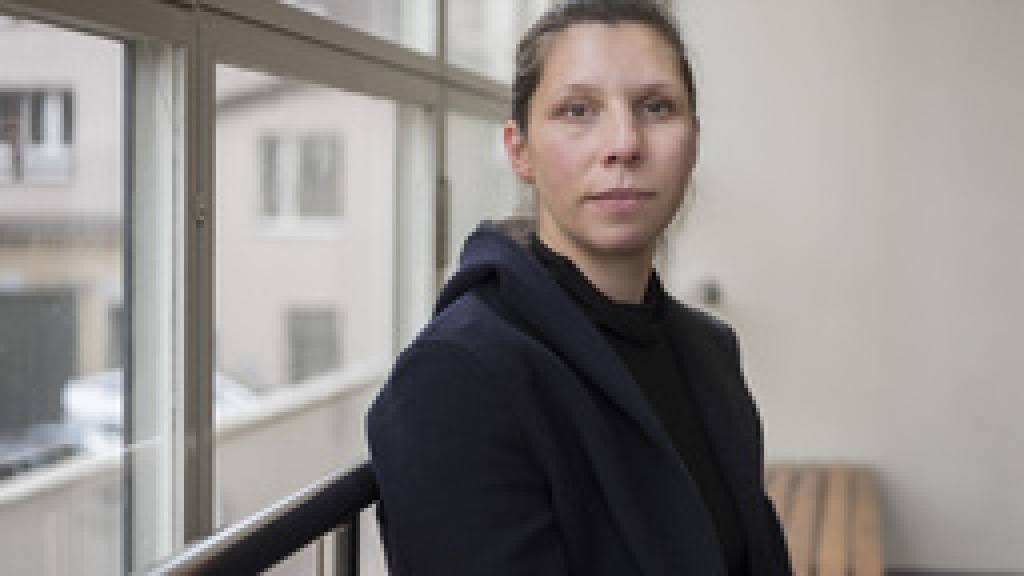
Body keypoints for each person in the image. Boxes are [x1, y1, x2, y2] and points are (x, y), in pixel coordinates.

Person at [367, 1, 792, 574]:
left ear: (693, 141)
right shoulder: (458, 376)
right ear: (520, 151)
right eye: (578, 110)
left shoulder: (711, 351)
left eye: (657, 107)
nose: (624, 144)